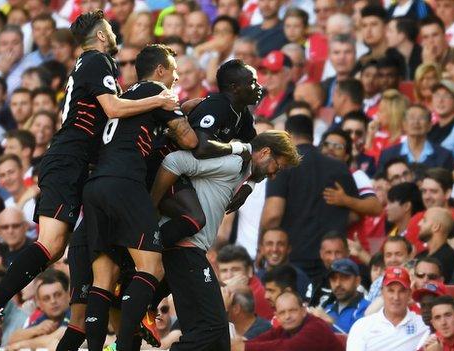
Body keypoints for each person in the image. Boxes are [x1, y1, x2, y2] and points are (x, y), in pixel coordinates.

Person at [0, 11, 179, 347]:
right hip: (69, 162)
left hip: (75, 164)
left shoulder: (87, 66)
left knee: (61, 249)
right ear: (100, 36)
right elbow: (112, 109)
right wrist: (159, 99)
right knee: (52, 244)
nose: (114, 34)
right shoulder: (99, 61)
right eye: (110, 30)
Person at [81, 44, 198, 351]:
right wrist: (178, 115)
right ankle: (123, 345)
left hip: (95, 186)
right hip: (125, 183)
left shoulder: (125, 95)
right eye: (173, 70)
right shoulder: (158, 93)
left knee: (103, 276)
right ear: (160, 70)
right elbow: (189, 139)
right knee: (152, 268)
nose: (175, 77)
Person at [150, 131, 300, 350]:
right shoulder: (232, 162)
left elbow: (253, 174)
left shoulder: (244, 171)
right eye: (277, 166)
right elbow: (175, 161)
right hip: (184, 248)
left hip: (191, 249)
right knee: (212, 327)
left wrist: (249, 186)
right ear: (266, 152)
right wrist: (151, 204)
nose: (275, 174)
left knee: (218, 336)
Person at [262, 115, 359, 280]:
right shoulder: (339, 167)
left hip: (294, 259)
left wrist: (261, 246)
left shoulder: (283, 166)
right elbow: (355, 213)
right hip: (332, 260)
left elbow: (273, 215)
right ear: (313, 136)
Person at [348, 267, 428, 350]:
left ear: (409, 294)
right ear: (382, 292)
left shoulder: (423, 325)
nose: (396, 297)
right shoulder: (362, 326)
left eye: (402, 291)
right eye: (391, 290)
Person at [234, 291, 344, 351]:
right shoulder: (283, 330)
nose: (287, 316)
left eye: (292, 310)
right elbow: (262, 340)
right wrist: (242, 344)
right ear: (276, 316)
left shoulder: (316, 327)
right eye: (282, 312)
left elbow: (289, 347)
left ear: (304, 311)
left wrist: (245, 347)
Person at [6, 272, 71, 349]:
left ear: (68, 296)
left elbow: (57, 338)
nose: (53, 301)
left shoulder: (74, 312)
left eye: (57, 295)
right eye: (46, 298)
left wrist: (21, 345)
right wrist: (37, 329)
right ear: (39, 304)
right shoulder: (44, 318)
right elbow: (12, 339)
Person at [379, 104, 454, 171]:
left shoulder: (444, 155)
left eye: (421, 118)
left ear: (429, 125)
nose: (416, 122)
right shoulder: (388, 155)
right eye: (411, 118)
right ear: (404, 125)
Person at [218, 244, 275, 320]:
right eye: (224, 271)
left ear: (249, 271)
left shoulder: (257, 292)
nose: (229, 276)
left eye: (235, 269)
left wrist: (228, 287)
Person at [316, 258, 369, 333]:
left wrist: (332, 324)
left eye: (344, 278)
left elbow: (358, 341)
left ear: (357, 281)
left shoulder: (367, 309)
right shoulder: (327, 310)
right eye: (333, 279)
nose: (337, 284)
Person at [256, 228, 311, 297]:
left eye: (280, 244)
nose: (274, 249)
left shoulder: (300, 278)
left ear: (288, 249)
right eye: (269, 244)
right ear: (262, 249)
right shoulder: (256, 277)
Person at [416, 207, 454, 282]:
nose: (419, 223)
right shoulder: (420, 256)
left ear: (436, 227)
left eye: (425, 220)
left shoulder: (451, 259)